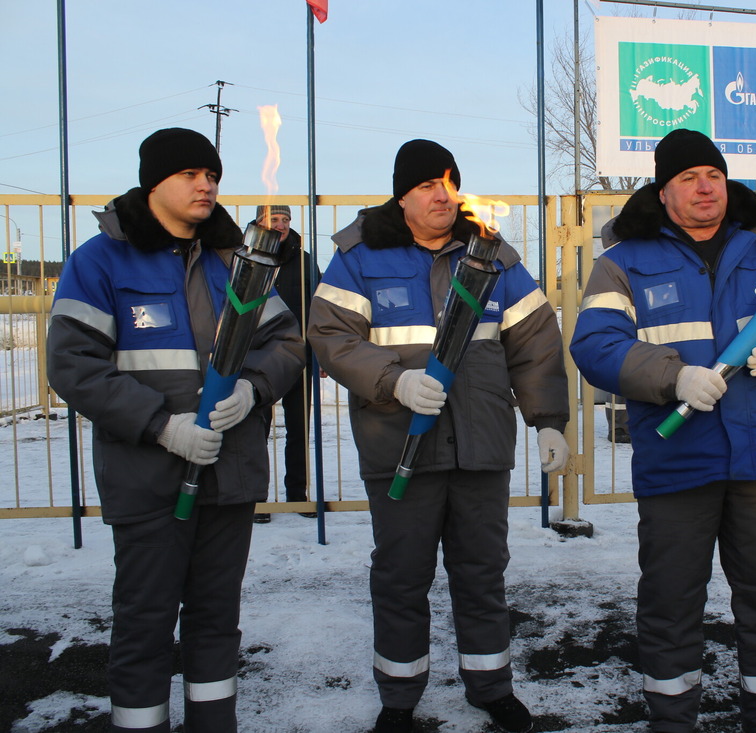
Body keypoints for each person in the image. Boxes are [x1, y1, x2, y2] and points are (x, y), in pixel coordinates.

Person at [569, 129, 756, 733]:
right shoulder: (624, 261)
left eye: (714, 176)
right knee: (671, 602)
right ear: (664, 191)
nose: (705, 187)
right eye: (690, 178)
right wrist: (673, 377)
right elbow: (593, 344)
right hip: (677, 458)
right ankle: (673, 721)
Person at [46, 128, 306, 733]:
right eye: (191, 173)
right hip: (148, 479)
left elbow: (287, 344)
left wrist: (252, 389)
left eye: (212, 174)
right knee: (145, 619)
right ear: (153, 182)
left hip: (229, 471)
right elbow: (73, 365)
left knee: (217, 619)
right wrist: (162, 427)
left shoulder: (234, 262)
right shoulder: (101, 260)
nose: (206, 184)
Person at [307, 139, 569, 733]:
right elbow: (329, 337)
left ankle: (490, 686)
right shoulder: (360, 258)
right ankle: (399, 697)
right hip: (399, 446)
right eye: (427, 184)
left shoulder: (493, 256)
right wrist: (392, 383)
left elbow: (535, 343)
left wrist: (548, 420)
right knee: (402, 576)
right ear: (403, 194)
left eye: (449, 182)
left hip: (480, 447)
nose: (441, 194)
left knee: (482, 573)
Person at [251, 204, 322, 523]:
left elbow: (320, 311)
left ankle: (298, 494)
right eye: (273, 219)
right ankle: (257, 498)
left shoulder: (305, 262)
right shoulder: (246, 257)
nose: (280, 225)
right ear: (258, 222)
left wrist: (319, 355)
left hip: (299, 356)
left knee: (298, 429)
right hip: (256, 357)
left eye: (285, 219)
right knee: (255, 430)